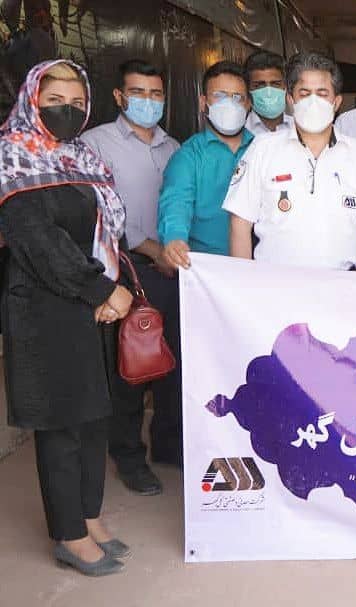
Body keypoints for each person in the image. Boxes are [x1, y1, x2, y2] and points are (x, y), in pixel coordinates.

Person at [0, 59, 134, 575]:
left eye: (77, 102)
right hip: (46, 308)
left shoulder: (81, 157)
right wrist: (101, 289)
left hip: (94, 305)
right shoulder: (13, 156)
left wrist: (108, 290)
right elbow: (38, 242)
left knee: (95, 414)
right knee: (62, 421)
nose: (67, 111)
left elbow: (106, 229)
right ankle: (69, 534)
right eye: (54, 100)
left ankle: (90, 515)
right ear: (32, 100)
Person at [80, 59, 180, 492]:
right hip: (124, 270)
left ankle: (169, 445)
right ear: (120, 97)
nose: (148, 101)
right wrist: (153, 249)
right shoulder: (94, 144)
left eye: (156, 94)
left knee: (172, 362)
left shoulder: (174, 147)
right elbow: (98, 212)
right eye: (138, 93)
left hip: (172, 271)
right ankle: (128, 457)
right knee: (130, 369)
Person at [224, 52, 356, 272]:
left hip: (344, 285)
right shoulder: (263, 149)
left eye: (322, 94)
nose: (313, 102)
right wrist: (243, 284)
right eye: (304, 94)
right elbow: (240, 223)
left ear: (336, 102)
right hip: (275, 283)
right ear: (290, 100)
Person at [158, 60, 253, 271]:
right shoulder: (188, 156)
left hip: (258, 268)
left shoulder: (262, 150)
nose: (229, 104)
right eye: (219, 96)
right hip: (206, 270)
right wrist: (175, 238)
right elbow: (177, 201)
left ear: (248, 105)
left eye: (237, 97)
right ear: (203, 102)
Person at [243, 50, 294, 136]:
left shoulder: (299, 128)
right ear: (248, 89)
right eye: (260, 85)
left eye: (275, 84)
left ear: (285, 86)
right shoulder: (241, 132)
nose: (269, 92)